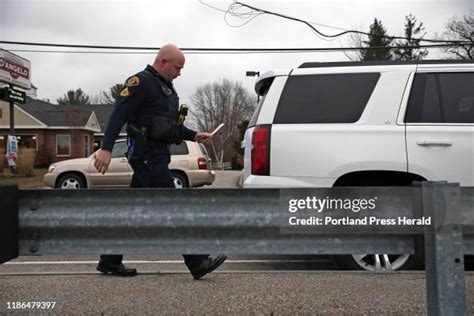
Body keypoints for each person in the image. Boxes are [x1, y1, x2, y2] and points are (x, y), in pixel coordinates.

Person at [94, 44, 227, 279]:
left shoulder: (167, 89)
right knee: (172, 206)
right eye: (178, 67)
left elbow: (169, 126)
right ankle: (197, 261)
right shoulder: (141, 82)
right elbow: (118, 114)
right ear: (162, 61)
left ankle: (110, 260)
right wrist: (105, 148)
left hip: (157, 157)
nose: (180, 72)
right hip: (146, 157)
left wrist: (194, 135)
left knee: (131, 212)